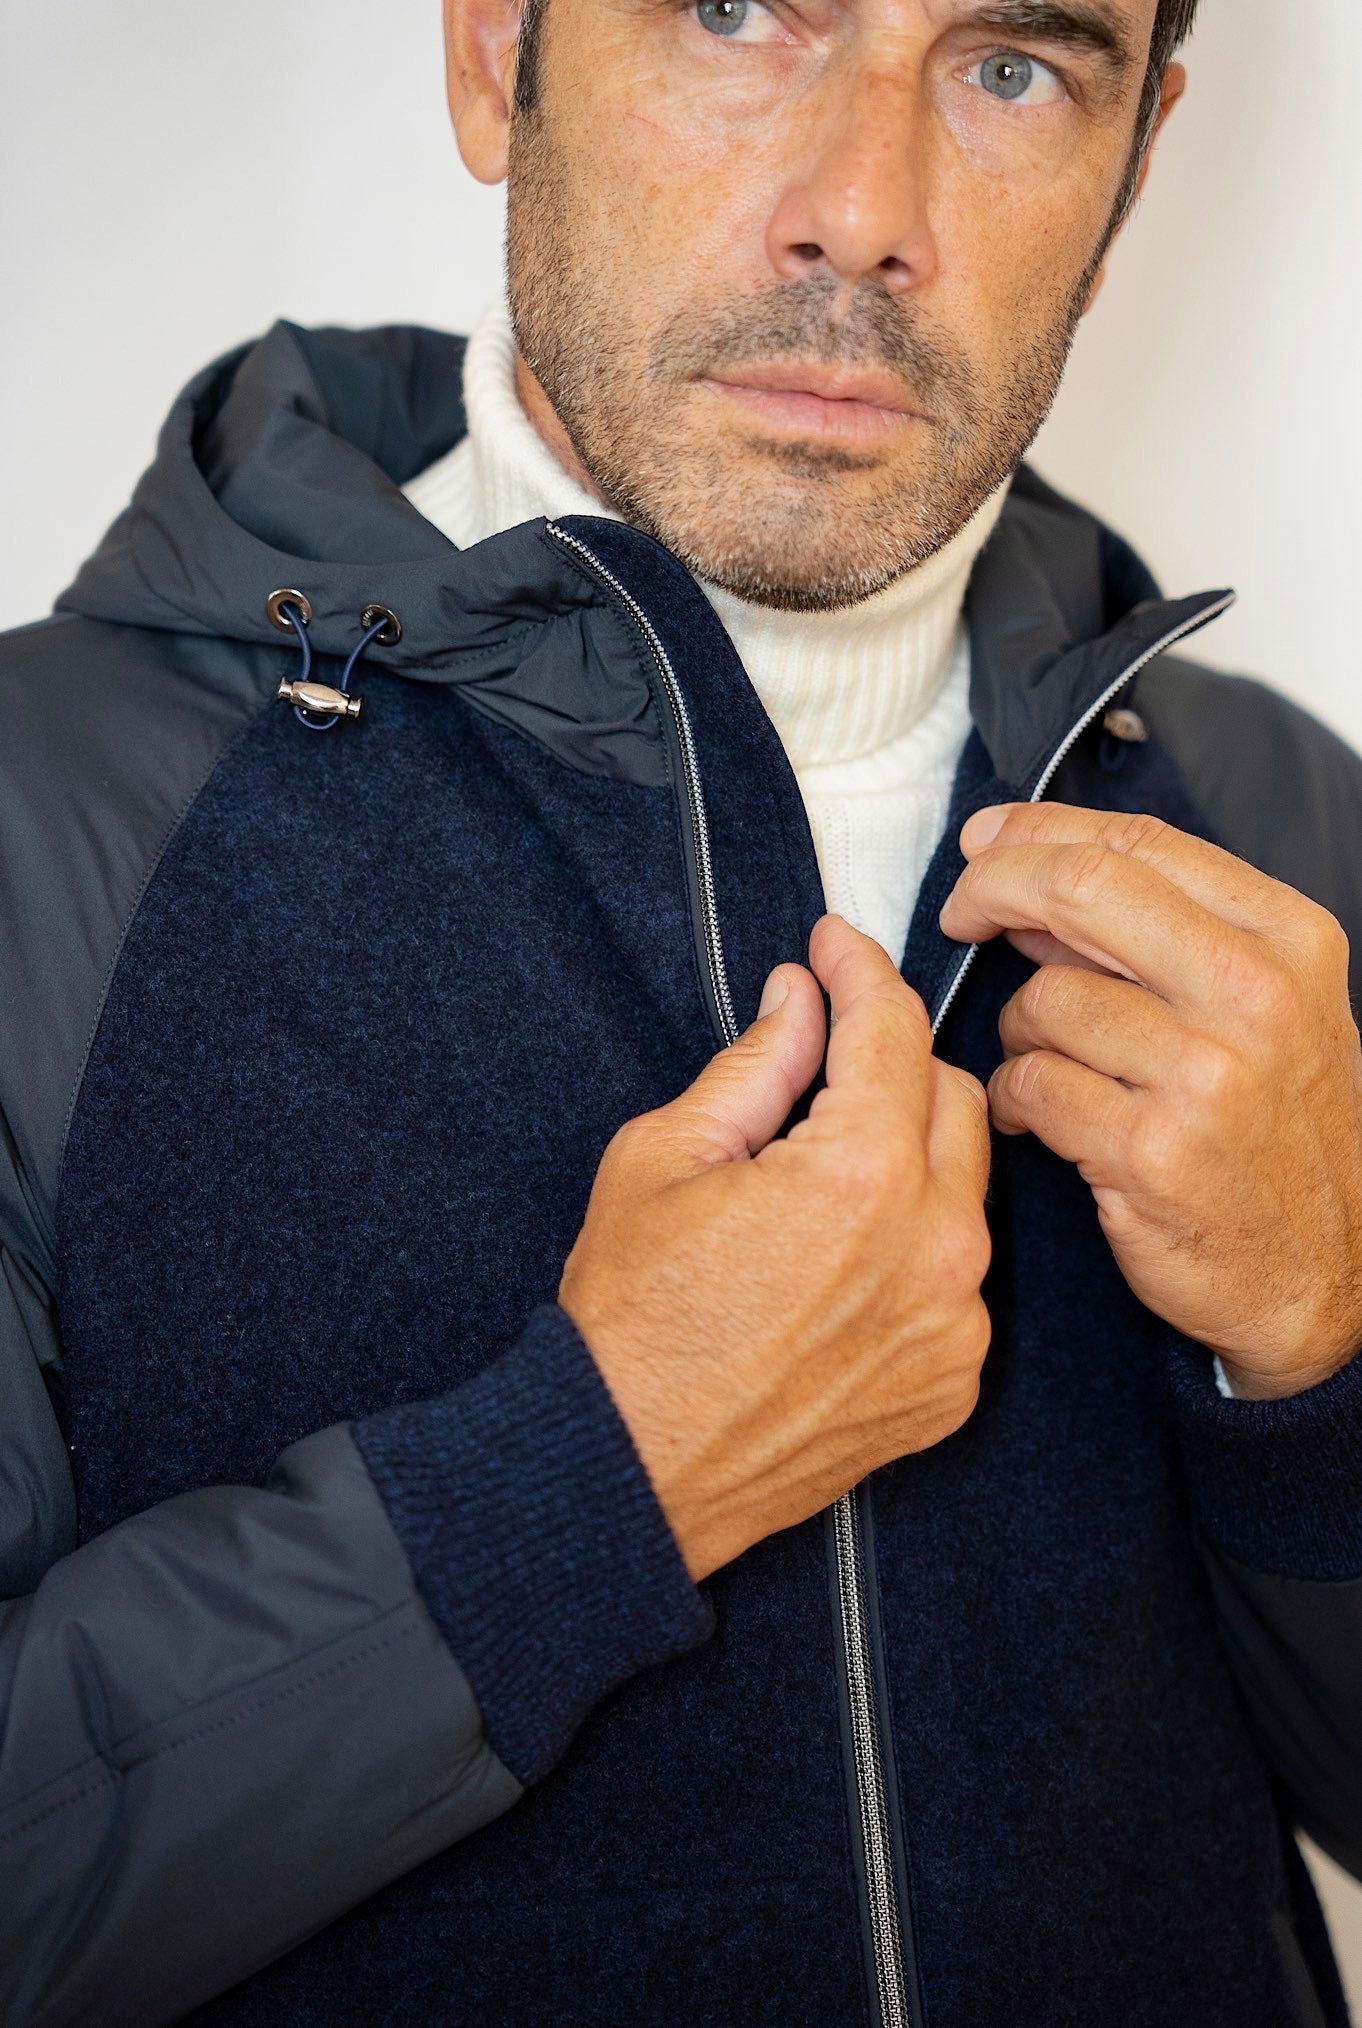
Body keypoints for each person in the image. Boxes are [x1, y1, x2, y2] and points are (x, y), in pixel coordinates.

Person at [3, 0, 1361, 2020]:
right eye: (734, 9)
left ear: (1134, 164)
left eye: (1012, 67)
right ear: (497, 58)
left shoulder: (1289, 845)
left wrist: (1324, 1354)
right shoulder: (41, 827)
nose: (863, 208)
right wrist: (584, 1480)